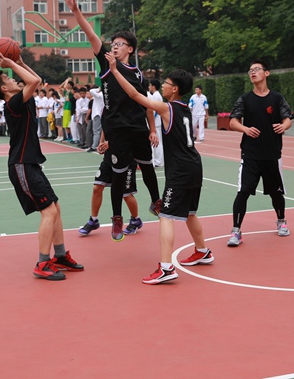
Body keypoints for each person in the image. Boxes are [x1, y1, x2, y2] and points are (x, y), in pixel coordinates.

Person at [107, 53, 214, 284]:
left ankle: (166, 268)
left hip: (181, 170)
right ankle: (203, 251)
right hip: (195, 166)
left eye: (166, 83)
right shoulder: (185, 109)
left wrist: (115, 71)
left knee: (165, 215)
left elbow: (135, 95)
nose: (162, 85)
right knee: (190, 213)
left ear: (174, 89)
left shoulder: (167, 109)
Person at [65, 0, 161, 241]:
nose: (115, 47)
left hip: (138, 127)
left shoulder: (138, 73)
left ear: (130, 49)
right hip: (117, 129)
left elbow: (145, 103)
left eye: (120, 44)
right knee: (118, 176)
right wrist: (76, 12)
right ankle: (117, 218)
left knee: (148, 167)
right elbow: (91, 34)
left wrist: (152, 129)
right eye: (113, 44)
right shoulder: (107, 65)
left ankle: (156, 202)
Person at [0, 51, 83, 281]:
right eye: (8, 78)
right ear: (4, 89)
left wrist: (20, 63)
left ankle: (60, 256)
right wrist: (11, 63)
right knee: (48, 211)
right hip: (21, 164)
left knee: (55, 207)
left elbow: (34, 80)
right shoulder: (13, 103)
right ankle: (42, 263)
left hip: (30, 163)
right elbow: (35, 81)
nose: (14, 79)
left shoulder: (23, 98)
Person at [227, 60, 294, 246]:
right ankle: (236, 231)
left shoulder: (277, 98)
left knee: (276, 193)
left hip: (272, 154)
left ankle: (281, 221)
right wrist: (245, 129)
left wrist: (284, 126)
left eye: (256, 69)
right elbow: (233, 121)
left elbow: (288, 118)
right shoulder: (245, 99)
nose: (253, 73)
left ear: (267, 73)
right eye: (250, 70)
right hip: (250, 154)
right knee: (243, 191)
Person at [79, 136, 143, 236]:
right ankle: (93, 220)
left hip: (126, 159)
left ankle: (136, 220)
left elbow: (130, 135)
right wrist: (101, 142)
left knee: (126, 194)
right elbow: (104, 128)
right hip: (109, 158)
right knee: (97, 187)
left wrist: (112, 142)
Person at [148, 79, 164, 167]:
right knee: (158, 141)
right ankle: (158, 160)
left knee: (157, 142)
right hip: (157, 122)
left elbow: (156, 110)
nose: (149, 87)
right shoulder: (156, 95)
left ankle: (158, 161)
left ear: (153, 86)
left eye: (150, 85)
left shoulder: (155, 96)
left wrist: (151, 120)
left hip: (156, 123)